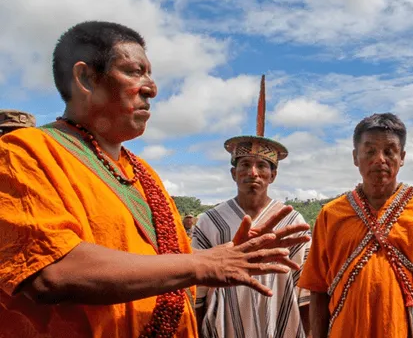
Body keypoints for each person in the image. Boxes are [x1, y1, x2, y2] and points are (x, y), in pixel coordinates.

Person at [0, 21, 310, 338]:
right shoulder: (22, 154)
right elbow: (53, 271)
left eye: (149, 74)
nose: (152, 88)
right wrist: (204, 264)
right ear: (86, 78)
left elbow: (174, 272)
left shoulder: (144, 173)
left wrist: (214, 262)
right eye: (135, 72)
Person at [299, 112, 413, 338]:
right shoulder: (331, 214)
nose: (380, 159)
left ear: (402, 157)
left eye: (389, 151)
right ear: (356, 157)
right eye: (370, 151)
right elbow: (318, 288)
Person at [192, 75, 312, 338]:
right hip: (224, 327)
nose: (253, 173)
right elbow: (198, 291)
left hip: (280, 324)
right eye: (245, 165)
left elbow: (304, 289)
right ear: (233, 174)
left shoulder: (291, 221)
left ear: (273, 175)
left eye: (262, 166)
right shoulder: (210, 222)